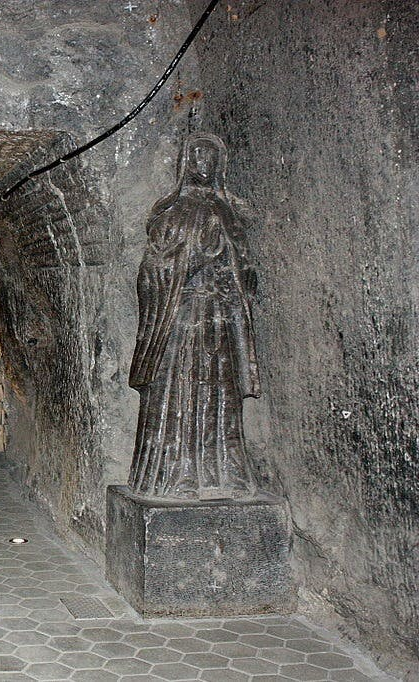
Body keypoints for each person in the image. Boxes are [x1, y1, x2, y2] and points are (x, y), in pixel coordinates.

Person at [128, 132, 260, 500]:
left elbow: (246, 269)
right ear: (186, 163)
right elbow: (151, 271)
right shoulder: (170, 214)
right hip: (182, 318)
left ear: (219, 166)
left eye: (210, 159)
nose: (204, 165)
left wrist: (232, 272)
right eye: (197, 157)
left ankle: (224, 473)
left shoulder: (227, 213)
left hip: (219, 316)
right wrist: (185, 266)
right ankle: (176, 474)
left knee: (221, 395)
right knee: (179, 393)